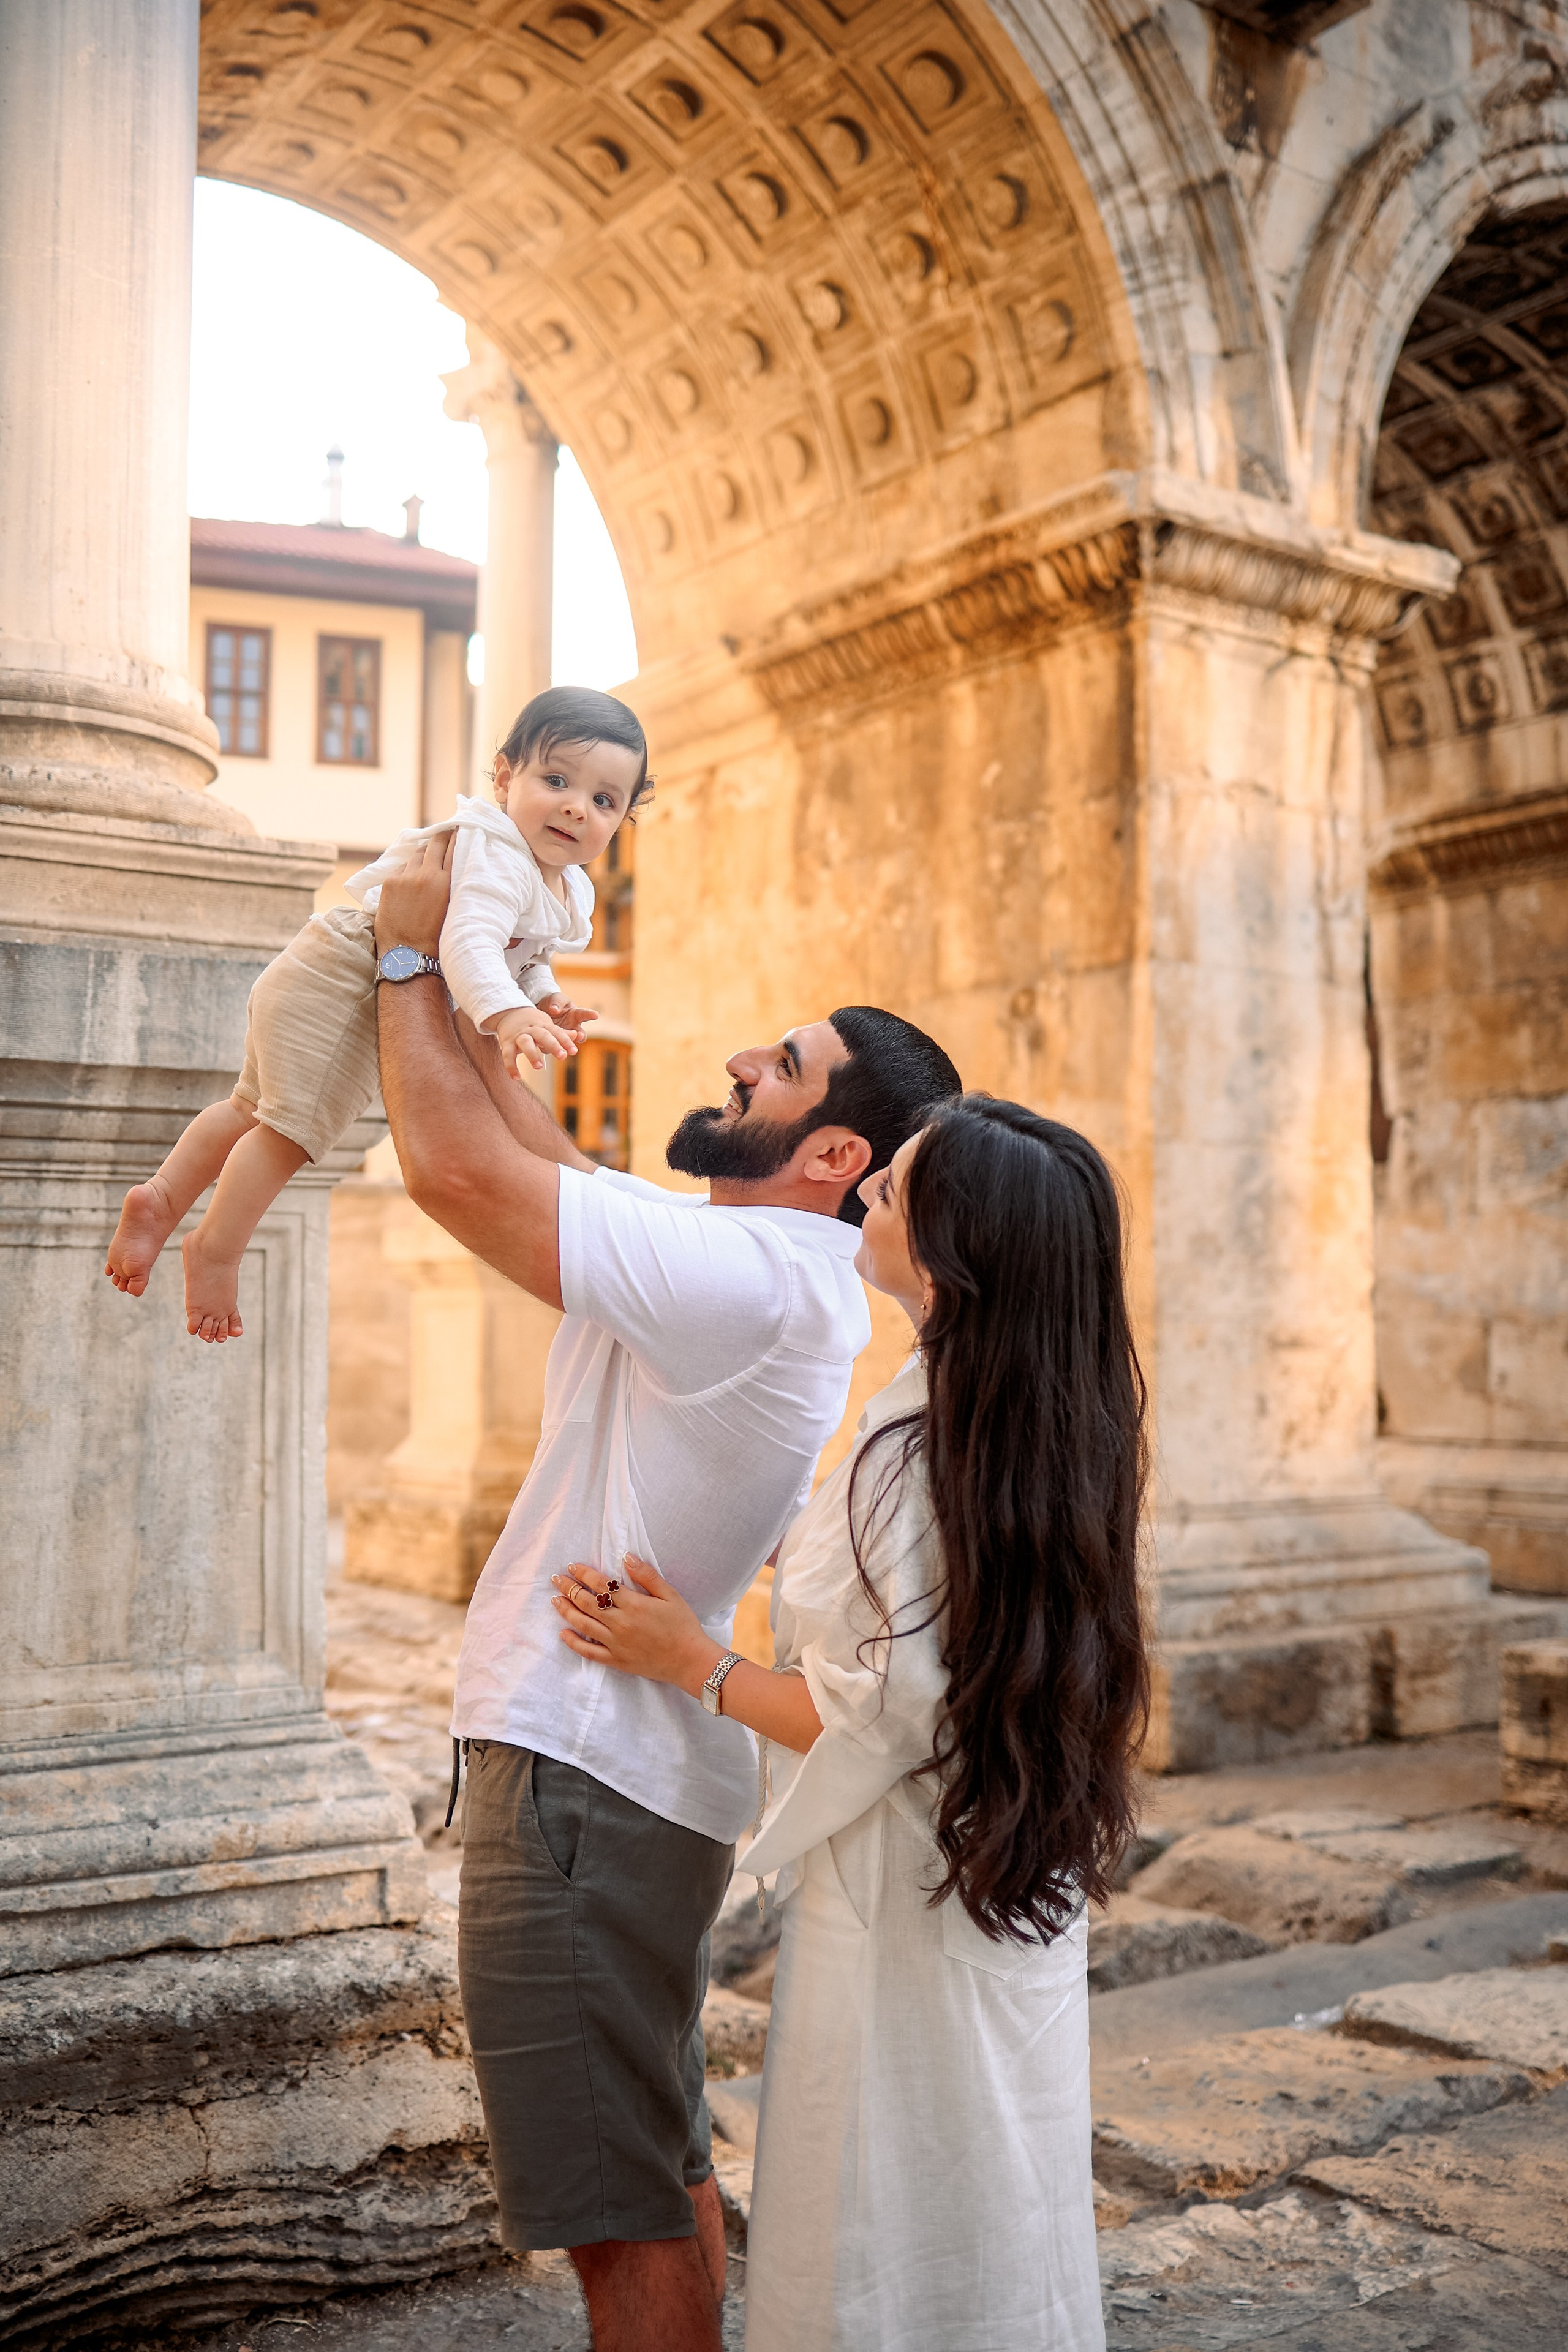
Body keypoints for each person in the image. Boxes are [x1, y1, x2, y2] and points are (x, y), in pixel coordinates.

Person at [366, 829, 963, 2352]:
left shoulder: (761, 1279)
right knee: (656, 2159)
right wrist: (497, 1000)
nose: (738, 1058)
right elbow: (551, 1167)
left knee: (617, 2202)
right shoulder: (753, 1261)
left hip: (585, 1773)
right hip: (611, 1773)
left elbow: (450, 1173)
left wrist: (404, 948)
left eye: (784, 1063)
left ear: (835, 1155)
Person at [554, 1096, 1149, 2351]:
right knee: (994, 2189)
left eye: (895, 1191)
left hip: (904, 1894)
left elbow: (878, 1712)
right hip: (1003, 1869)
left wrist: (693, 1662)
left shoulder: (919, 1441)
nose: (870, 1191)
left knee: (883, 2211)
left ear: (948, 1253)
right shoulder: (1041, 1417)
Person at [103, 685, 646, 1340]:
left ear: (620, 820)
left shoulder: (559, 880)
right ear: (505, 777)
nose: (574, 806)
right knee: (288, 1132)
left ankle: (160, 1198)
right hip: (354, 978)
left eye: (602, 800)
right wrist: (505, 1017)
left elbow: (518, 953)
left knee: (251, 1108)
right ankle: (215, 1249)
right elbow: (468, 943)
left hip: (326, 966)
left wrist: (542, 995)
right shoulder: (499, 852)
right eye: (556, 779)